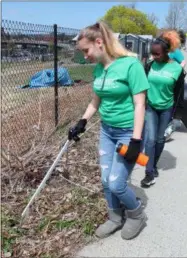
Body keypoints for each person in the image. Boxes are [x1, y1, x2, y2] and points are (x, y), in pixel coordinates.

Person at [68, 21, 150, 240]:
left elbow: (140, 104)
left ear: (99, 42)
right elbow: (96, 101)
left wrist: (135, 140)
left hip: (127, 133)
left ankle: (136, 214)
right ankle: (115, 218)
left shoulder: (131, 65)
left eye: (86, 50)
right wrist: (82, 122)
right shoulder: (98, 69)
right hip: (107, 131)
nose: (84, 56)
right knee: (106, 180)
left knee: (117, 183)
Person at [141, 31, 183, 187]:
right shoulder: (150, 66)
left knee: (160, 139)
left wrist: (175, 114)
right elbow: (142, 86)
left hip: (166, 109)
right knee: (150, 140)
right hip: (151, 107)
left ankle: (154, 164)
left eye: (157, 54)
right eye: (152, 53)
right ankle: (149, 173)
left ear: (166, 52)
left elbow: (178, 93)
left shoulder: (177, 69)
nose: (154, 56)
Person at [164, 30, 186, 141]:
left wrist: (177, 71)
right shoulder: (165, 49)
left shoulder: (175, 51)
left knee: (175, 101)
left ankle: (169, 125)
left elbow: (183, 62)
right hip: (164, 79)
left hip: (173, 79)